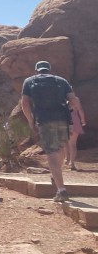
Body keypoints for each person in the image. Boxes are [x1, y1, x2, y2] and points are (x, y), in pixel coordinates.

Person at [21, 60, 83, 202]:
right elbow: (73, 100)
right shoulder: (61, 81)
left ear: (37, 70)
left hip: (44, 120)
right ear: (49, 69)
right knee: (60, 149)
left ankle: (61, 190)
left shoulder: (29, 81)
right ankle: (56, 175)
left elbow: (24, 103)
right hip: (63, 120)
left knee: (51, 153)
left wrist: (30, 120)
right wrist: (68, 109)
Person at [66, 96, 87, 171]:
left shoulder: (61, 98)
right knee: (73, 143)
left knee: (65, 142)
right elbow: (80, 110)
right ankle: (72, 163)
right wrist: (83, 120)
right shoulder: (75, 99)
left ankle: (67, 160)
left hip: (63, 121)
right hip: (74, 120)